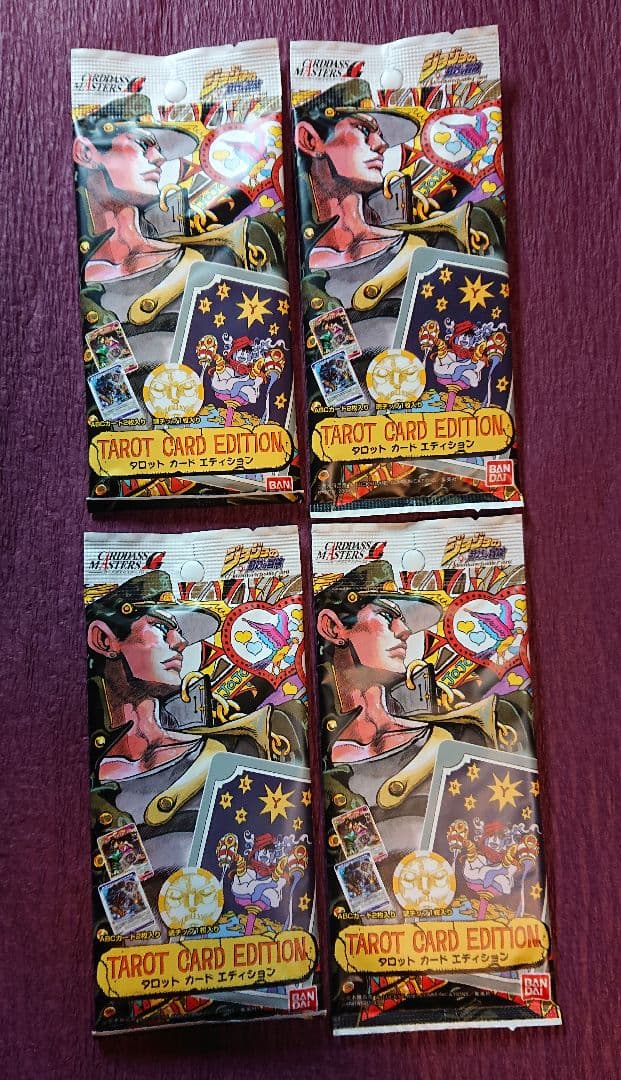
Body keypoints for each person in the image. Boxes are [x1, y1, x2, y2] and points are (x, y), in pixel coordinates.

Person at [86, 569, 304, 875]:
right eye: (161, 626)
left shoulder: (242, 747)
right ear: (104, 640)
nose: (179, 642)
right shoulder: (92, 776)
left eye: (178, 630)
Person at [315, 560, 532, 857]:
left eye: (402, 619)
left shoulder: (465, 731)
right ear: (332, 627)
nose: (404, 630)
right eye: (386, 614)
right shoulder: (299, 745)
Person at [74, 93, 286, 374]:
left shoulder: (224, 254)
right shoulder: (82, 278)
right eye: (143, 144)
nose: (159, 158)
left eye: (158, 148)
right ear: (87, 153)